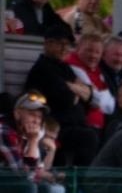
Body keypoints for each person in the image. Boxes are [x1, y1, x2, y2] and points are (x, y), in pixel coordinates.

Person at [24, 29, 99, 168]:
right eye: (60, 44)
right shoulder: (43, 69)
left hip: (74, 124)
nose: (65, 48)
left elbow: (90, 94)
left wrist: (72, 87)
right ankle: (80, 179)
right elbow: (68, 99)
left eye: (68, 44)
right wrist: (78, 91)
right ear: (47, 44)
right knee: (89, 137)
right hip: (53, 126)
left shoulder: (64, 67)